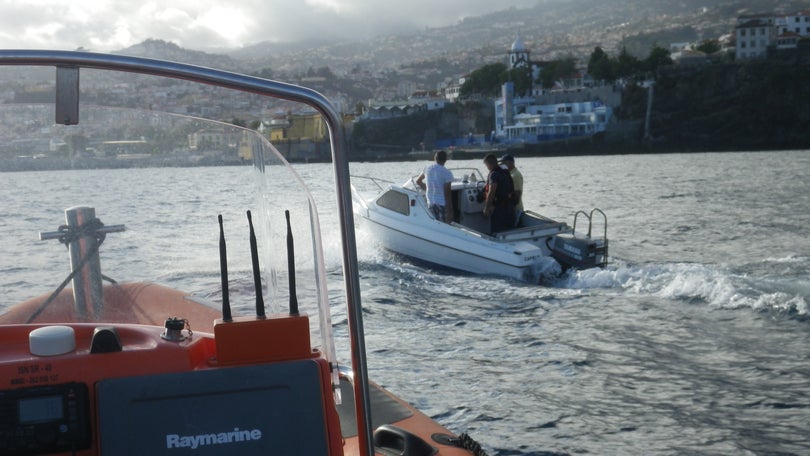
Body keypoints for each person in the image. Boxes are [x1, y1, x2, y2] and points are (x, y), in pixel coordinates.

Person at [415, 150, 454, 223]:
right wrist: (450, 212)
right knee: (443, 226)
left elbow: (418, 181)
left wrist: (428, 189)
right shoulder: (447, 173)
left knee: (433, 224)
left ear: (435, 158)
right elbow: (447, 194)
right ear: (446, 160)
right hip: (441, 204)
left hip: (430, 204)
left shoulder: (427, 168)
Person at [482, 153, 514, 234]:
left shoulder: (494, 174)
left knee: (497, 232)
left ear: (489, 164)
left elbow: (492, 191)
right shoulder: (505, 171)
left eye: (487, 166)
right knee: (508, 232)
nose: (488, 168)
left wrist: (486, 207)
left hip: (499, 208)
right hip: (509, 206)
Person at [499, 154, 524, 226]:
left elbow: (517, 193)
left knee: (513, 227)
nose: (502, 164)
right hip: (510, 208)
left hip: (515, 209)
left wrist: (511, 208)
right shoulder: (509, 174)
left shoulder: (515, 175)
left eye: (504, 163)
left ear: (510, 163)